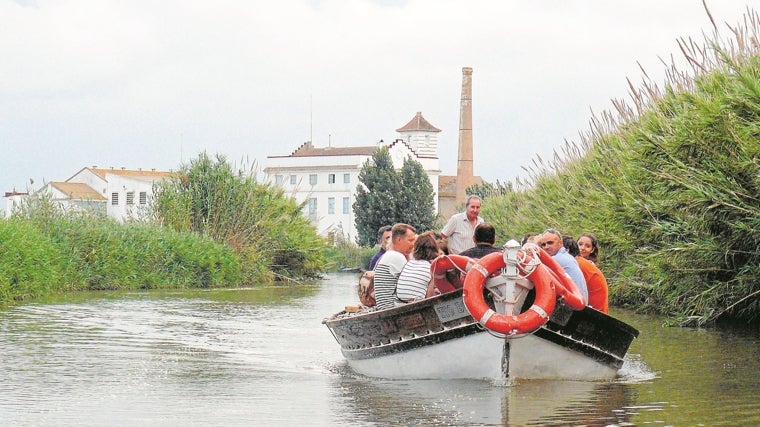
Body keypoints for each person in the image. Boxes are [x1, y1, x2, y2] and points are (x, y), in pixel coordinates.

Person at [373, 223, 417, 310]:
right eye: (410, 240)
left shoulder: (389, 255)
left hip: (386, 307)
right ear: (399, 240)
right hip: (392, 308)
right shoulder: (396, 257)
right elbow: (413, 285)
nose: (413, 244)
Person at [539, 228, 588, 303]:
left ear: (561, 243)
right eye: (543, 244)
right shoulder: (567, 256)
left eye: (550, 243)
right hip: (582, 303)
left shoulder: (558, 259)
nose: (546, 247)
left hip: (576, 306)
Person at [564, 236, 609, 313]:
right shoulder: (581, 262)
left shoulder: (577, 264)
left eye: (587, 246)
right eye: (580, 244)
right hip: (596, 308)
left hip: (594, 312)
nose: (582, 248)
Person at [395, 231, 441, 304]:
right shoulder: (431, 267)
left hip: (398, 303)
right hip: (416, 305)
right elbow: (430, 296)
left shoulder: (409, 263)